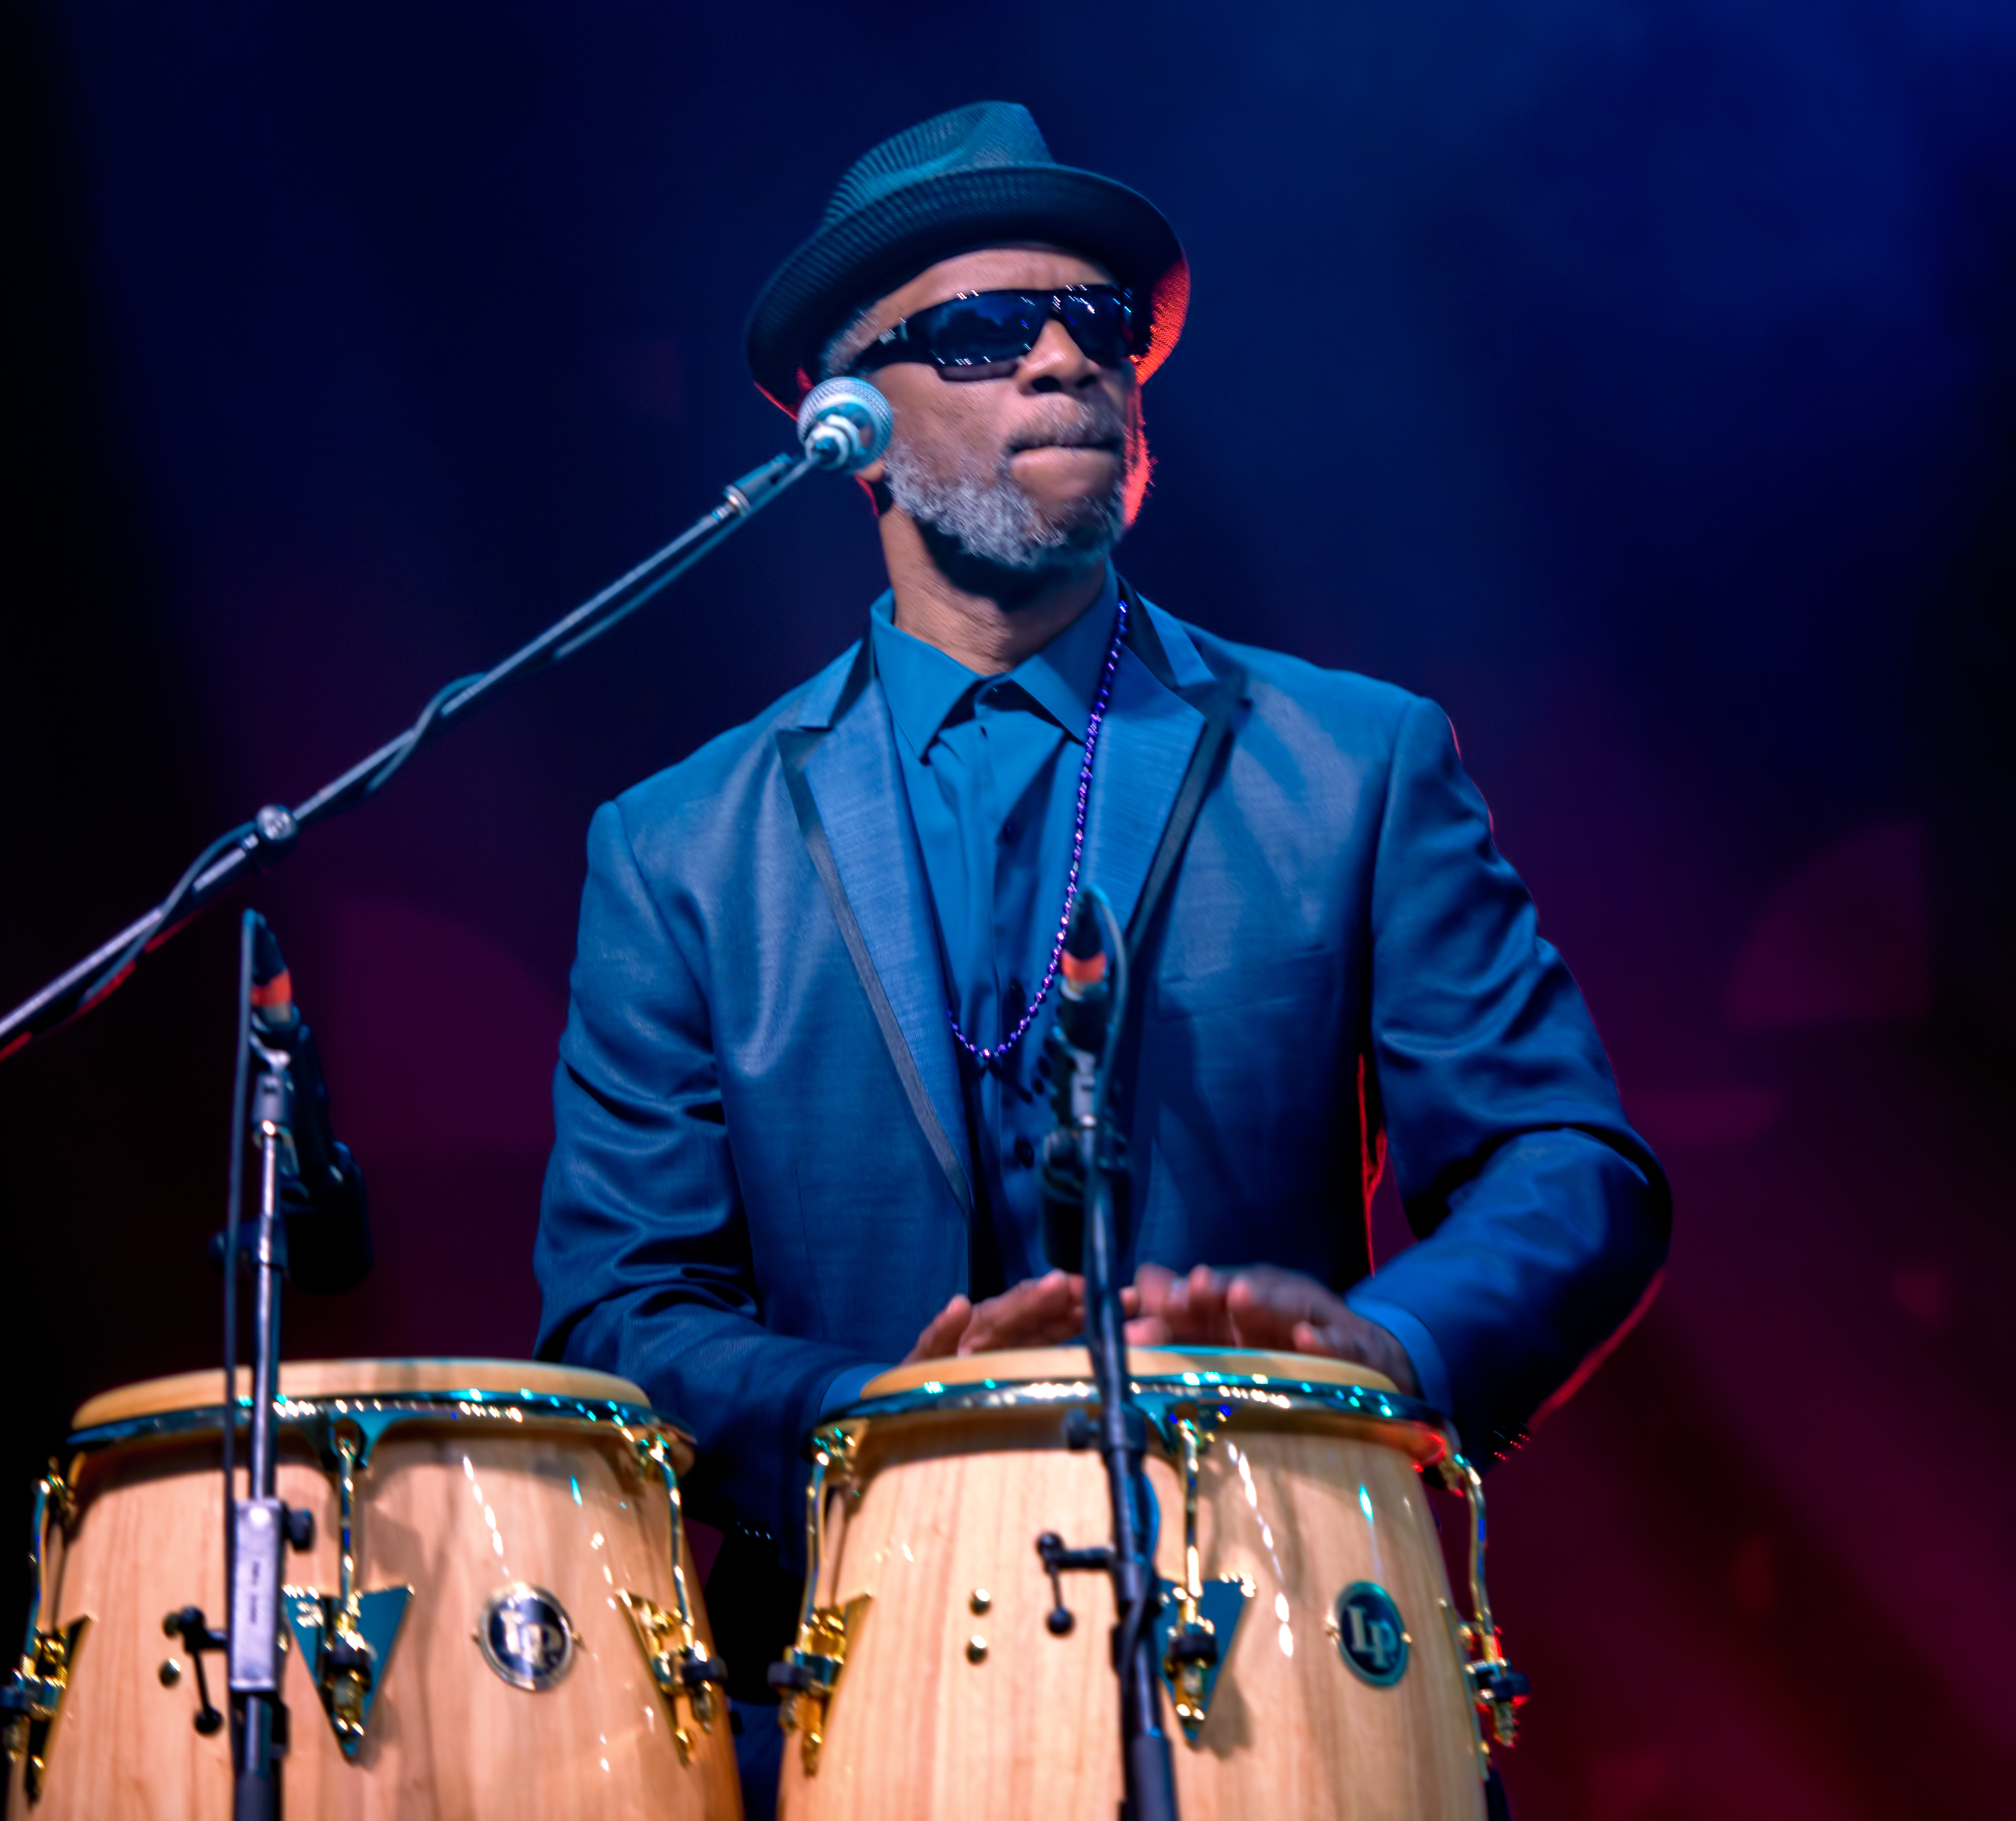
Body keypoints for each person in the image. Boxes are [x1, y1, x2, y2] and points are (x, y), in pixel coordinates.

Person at [534, 101, 1668, 1808]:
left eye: (1100, 323)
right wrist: (871, 1410)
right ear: (851, 429)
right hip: (858, 1713)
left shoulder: (1353, 764)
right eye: (989, 330)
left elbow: (1569, 1169)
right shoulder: (680, 848)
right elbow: (620, 1317)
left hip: (1287, 1677)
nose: (1066, 355)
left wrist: (1390, 1352)